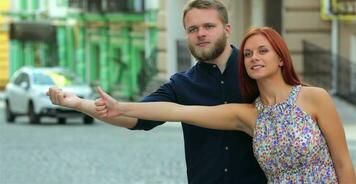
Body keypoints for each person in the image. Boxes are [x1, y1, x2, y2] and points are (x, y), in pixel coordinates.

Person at [87, 27, 355, 183]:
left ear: (281, 58)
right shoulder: (249, 115)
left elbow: (343, 163)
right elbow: (178, 111)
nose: (254, 58)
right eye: (248, 54)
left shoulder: (313, 97)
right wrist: (121, 107)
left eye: (263, 51)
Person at [47, 0, 267, 183]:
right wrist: (77, 103)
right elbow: (133, 116)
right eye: (193, 29)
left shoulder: (257, 71)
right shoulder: (182, 85)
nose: (201, 33)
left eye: (209, 26)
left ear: (227, 29)